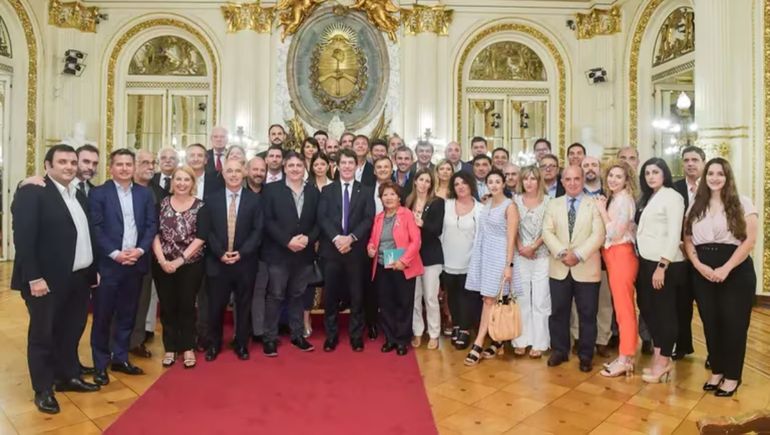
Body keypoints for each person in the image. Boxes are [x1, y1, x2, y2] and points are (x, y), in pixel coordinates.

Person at [11, 144, 101, 414]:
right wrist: (34, 277)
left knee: (71, 331)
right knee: (43, 335)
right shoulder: (33, 191)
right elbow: (24, 240)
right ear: (47, 165)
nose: (69, 167)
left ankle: (67, 376)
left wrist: (91, 269)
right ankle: (44, 389)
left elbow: (85, 236)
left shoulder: (78, 194)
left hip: (77, 279)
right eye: (62, 162)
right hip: (45, 282)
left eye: (73, 162)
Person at [683, 158, 757, 397]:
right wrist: (698, 265)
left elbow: (750, 240)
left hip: (736, 270)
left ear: (728, 177)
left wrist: (726, 268)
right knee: (711, 322)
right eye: (711, 173)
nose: (715, 177)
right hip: (702, 269)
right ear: (705, 178)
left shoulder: (742, 202)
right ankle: (717, 370)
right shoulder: (696, 203)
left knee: (734, 324)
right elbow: (687, 238)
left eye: (720, 174)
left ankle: (733, 375)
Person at [89, 148, 158, 386]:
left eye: (129, 164)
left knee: (128, 315)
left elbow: (151, 225)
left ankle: (120, 357)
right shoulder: (99, 194)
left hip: (136, 264)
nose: (125, 168)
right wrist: (117, 254)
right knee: (103, 317)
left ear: (134, 167)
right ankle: (100, 365)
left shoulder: (144, 194)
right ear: (111, 168)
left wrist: (139, 251)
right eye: (120, 164)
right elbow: (96, 229)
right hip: (109, 265)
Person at [542, 165, 605, 373]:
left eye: (576, 179)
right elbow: (547, 232)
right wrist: (562, 253)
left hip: (586, 266)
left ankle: (586, 355)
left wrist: (577, 255)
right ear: (562, 182)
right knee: (558, 312)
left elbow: (598, 235)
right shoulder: (553, 204)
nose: (572, 183)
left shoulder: (594, 204)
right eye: (568, 180)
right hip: (559, 267)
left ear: (582, 180)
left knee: (587, 313)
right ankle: (560, 350)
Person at [203, 159, 263, 361]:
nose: (234, 174)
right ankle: (214, 344)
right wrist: (220, 253)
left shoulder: (254, 200)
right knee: (216, 306)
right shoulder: (211, 200)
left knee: (244, 305)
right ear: (223, 174)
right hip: (217, 262)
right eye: (230, 171)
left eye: (238, 170)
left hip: (244, 262)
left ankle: (241, 344)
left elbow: (257, 231)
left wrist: (242, 253)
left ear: (244, 173)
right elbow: (207, 231)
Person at [261, 152, 320, 356]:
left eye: (299, 166)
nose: (295, 169)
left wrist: (307, 239)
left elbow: (318, 222)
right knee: (275, 295)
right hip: (278, 253)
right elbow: (267, 221)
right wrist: (287, 241)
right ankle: (269, 337)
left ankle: (297, 335)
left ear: (304, 168)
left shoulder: (313, 192)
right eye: (291, 165)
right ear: (285, 168)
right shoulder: (270, 190)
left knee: (297, 295)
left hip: (303, 254)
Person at [317, 148, 375, 352]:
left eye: (351, 163)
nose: (348, 166)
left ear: (356, 166)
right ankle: (331, 336)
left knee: (357, 296)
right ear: (338, 166)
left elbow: (369, 219)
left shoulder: (366, 190)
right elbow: (322, 218)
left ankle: (356, 335)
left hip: (356, 251)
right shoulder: (327, 190)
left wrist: (350, 238)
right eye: (344, 163)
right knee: (331, 296)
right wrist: (336, 239)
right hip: (332, 252)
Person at [635, 158, 686, 383]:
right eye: (647, 173)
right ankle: (658, 358)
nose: (651, 176)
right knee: (647, 308)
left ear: (664, 174)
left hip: (665, 264)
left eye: (655, 172)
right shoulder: (649, 197)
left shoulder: (672, 197)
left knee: (665, 313)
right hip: (646, 261)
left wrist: (662, 266)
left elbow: (675, 233)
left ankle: (664, 360)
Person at [151, 166, 207, 369]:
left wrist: (179, 260)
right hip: (163, 264)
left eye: (187, 180)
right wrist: (162, 260)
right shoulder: (161, 204)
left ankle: (188, 347)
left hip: (190, 264)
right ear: (172, 182)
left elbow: (201, 237)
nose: (182, 183)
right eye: (178, 179)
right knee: (167, 306)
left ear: (193, 183)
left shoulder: (201, 206)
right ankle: (170, 347)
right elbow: (154, 234)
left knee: (186, 305)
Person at [463, 170, 519, 366]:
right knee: (490, 299)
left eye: (497, 182)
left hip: (501, 256)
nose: (494, 185)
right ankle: (498, 340)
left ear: (504, 184)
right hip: (486, 255)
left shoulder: (510, 206)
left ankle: (478, 342)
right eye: (490, 182)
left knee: (490, 299)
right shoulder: (486, 204)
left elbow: (512, 238)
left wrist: (509, 265)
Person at [367, 181, 424, 356]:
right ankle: (390, 338)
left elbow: (416, 241)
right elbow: (372, 240)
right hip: (383, 265)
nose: (389, 198)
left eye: (392, 194)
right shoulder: (378, 218)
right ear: (381, 198)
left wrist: (404, 260)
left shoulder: (406, 214)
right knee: (386, 305)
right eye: (385, 195)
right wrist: (370, 248)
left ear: (399, 197)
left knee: (403, 304)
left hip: (402, 266)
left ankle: (401, 340)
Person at [595, 161, 639, 377]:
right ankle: (624, 355)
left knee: (624, 309)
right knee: (621, 308)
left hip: (621, 254)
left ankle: (626, 358)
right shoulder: (616, 199)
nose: (613, 179)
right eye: (611, 175)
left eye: (618, 176)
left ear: (627, 180)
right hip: (613, 256)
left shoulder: (624, 200)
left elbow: (614, 234)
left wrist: (602, 211)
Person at [129, 150, 167, 360]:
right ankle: (114, 342)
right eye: (145, 163)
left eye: (153, 163)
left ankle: (136, 341)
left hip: (149, 256)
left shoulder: (159, 193)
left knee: (143, 300)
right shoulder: (120, 189)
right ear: (134, 165)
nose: (150, 167)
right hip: (120, 257)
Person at [511, 166, 550, 359]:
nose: (529, 182)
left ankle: (540, 342)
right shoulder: (515, 201)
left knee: (541, 299)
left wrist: (534, 246)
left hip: (541, 255)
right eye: (526, 179)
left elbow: (549, 229)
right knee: (522, 299)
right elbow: (512, 228)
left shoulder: (549, 202)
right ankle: (521, 340)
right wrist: (520, 247)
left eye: (533, 179)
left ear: (539, 181)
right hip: (520, 256)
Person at [440, 171, 483, 350]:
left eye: (464, 183)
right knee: (453, 295)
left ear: (471, 184)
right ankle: (457, 324)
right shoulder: (446, 205)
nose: (460, 187)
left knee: (468, 296)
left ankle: (465, 329)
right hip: (447, 258)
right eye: (456, 184)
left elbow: (482, 237)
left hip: (470, 259)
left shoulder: (480, 209)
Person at [671, 145, 705, 361]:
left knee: (708, 308)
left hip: (706, 255)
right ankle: (682, 346)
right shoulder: (674, 189)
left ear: (703, 162)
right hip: (681, 256)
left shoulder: (711, 187)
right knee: (681, 305)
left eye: (694, 159)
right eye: (686, 160)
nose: (690, 164)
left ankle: (714, 353)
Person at [406, 169, 445, 350]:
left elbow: (437, 230)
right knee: (414, 297)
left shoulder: (437, 203)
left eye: (427, 181)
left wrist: (422, 223)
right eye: (421, 180)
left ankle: (434, 333)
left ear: (431, 184)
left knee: (430, 297)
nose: (423, 184)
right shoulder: (408, 201)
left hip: (431, 255)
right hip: (412, 256)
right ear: (415, 181)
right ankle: (418, 331)